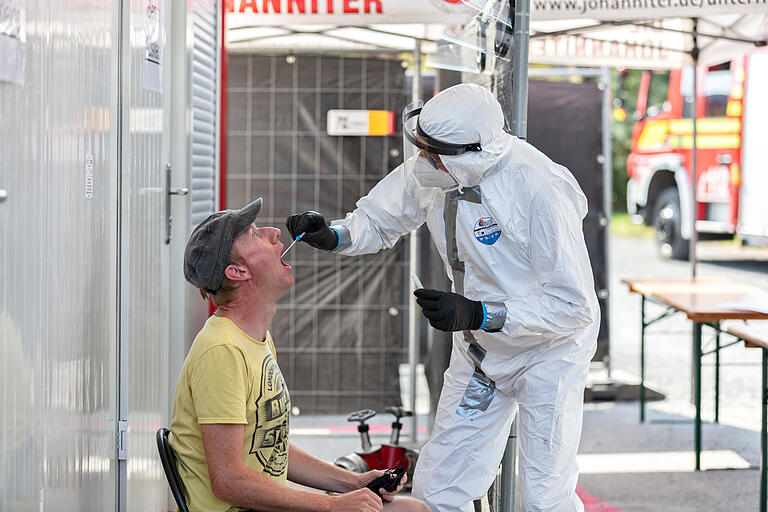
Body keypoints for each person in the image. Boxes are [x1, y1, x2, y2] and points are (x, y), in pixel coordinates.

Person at [286, 83, 599, 512]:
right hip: (481, 356)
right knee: (439, 487)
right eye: (423, 149)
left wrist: (480, 312)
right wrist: (333, 235)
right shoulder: (438, 169)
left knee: (545, 496)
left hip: (548, 356)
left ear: (473, 155)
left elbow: (573, 306)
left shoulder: (538, 188)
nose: (422, 163)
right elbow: (379, 219)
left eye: (432, 155)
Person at [170, 198, 429, 512]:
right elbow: (228, 480)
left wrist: (353, 483)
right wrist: (333, 506)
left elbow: (271, 446)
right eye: (253, 235)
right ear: (237, 271)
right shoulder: (222, 352)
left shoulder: (255, 340)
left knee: (410, 508)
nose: (275, 233)